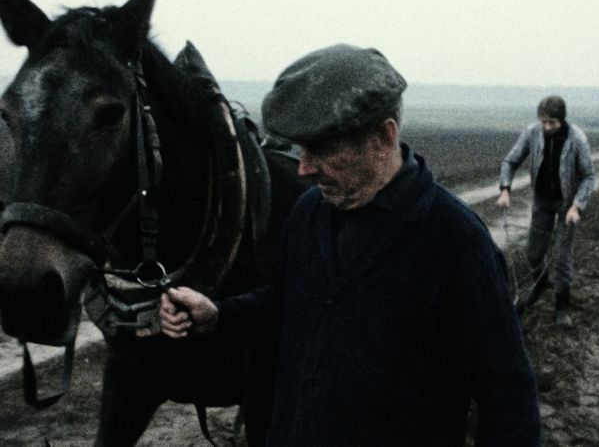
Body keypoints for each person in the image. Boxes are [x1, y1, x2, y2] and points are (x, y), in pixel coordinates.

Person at [161, 44, 541, 446]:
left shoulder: (454, 241)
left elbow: (508, 398)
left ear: (384, 136)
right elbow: (286, 303)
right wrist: (217, 314)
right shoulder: (310, 213)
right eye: (301, 149)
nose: (304, 168)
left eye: (322, 148)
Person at [497, 96, 595, 327]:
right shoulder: (532, 132)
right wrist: (505, 189)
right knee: (533, 254)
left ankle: (562, 306)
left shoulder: (577, 139)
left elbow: (589, 177)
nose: (547, 127)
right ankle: (540, 286)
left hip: (566, 205)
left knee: (561, 258)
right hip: (542, 201)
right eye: (544, 122)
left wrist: (576, 206)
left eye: (552, 123)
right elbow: (510, 161)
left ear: (562, 120)